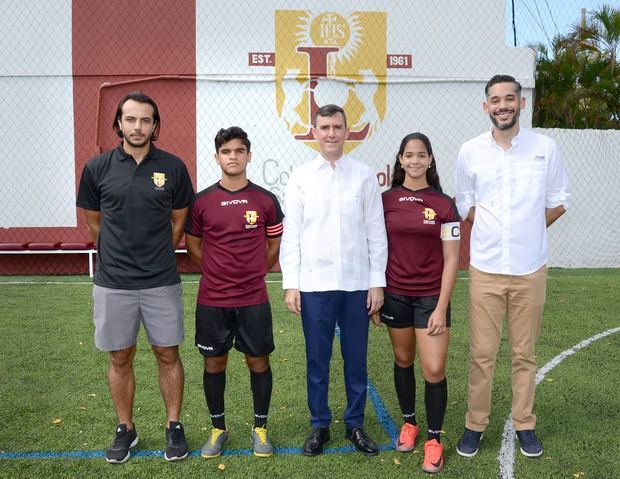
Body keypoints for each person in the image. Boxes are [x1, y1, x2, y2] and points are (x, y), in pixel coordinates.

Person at [454, 75, 571, 458]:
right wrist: (494, 230)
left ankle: (525, 424)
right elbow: (465, 204)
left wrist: (526, 230)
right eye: (495, 100)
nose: (502, 105)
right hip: (486, 268)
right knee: (482, 353)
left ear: (521, 104)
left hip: (530, 268)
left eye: (509, 99)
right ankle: (475, 424)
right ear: (485, 106)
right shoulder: (470, 151)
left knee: (524, 353)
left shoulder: (545, 148)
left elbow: (557, 201)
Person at [76, 91, 194, 463]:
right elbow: (93, 220)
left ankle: (173, 425)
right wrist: (115, 250)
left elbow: (179, 219)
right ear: (119, 124)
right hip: (114, 282)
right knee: (120, 356)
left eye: (145, 120)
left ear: (155, 126)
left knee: (167, 352)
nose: (138, 127)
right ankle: (126, 428)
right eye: (131, 120)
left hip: (161, 279)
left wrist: (158, 251)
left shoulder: (173, 167)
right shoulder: (97, 168)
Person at [280, 104, 388, 457]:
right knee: (317, 358)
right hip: (314, 284)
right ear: (314, 132)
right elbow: (292, 233)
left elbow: (376, 231)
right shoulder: (300, 177)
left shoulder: (364, 175)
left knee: (356, 358)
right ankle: (319, 425)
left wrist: (377, 282)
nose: (330, 133)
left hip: (357, 283)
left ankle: (355, 423)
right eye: (324, 127)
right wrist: (291, 283)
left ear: (347, 131)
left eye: (336, 127)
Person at [185, 127, 283, 458]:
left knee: (258, 361)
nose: (233, 157)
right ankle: (218, 429)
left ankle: (260, 428)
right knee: (214, 363)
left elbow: (274, 245)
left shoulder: (266, 200)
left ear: (248, 156)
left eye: (239, 151)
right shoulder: (202, 201)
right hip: (213, 298)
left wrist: (255, 271)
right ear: (217, 157)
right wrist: (216, 272)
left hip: (253, 297)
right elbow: (193, 245)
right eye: (226, 151)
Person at [378, 133, 460, 473]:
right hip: (395, 294)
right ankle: (409, 423)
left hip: (430, 299)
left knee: (434, 369)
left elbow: (452, 259)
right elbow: (375, 248)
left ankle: (434, 439)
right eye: (408, 155)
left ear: (430, 160)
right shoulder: (385, 200)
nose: (414, 161)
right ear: (400, 160)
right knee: (402, 359)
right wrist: (377, 292)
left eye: (421, 155)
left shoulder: (444, 204)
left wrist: (441, 306)